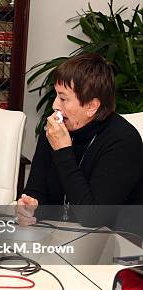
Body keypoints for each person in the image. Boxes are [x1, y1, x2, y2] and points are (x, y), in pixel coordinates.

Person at [17, 53, 143, 227]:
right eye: (56, 95)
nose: (55, 105)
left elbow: (94, 218)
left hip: (112, 244)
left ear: (91, 106)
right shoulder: (56, 130)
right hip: (56, 238)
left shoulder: (123, 141)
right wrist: (29, 207)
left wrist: (63, 152)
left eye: (63, 98)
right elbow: (36, 190)